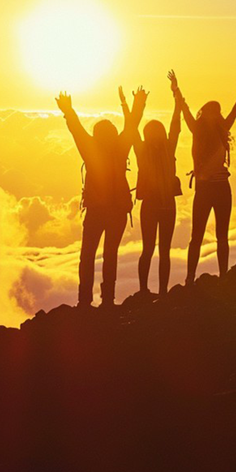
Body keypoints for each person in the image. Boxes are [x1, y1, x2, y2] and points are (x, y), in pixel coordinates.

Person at [56, 87, 146, 307]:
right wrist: (138, 105)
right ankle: (107, 300)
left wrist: (68, 111)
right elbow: (132, 126)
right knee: (110, 255)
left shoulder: (90, 149)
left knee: (87, 256)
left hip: (97, 210)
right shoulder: (120, 148)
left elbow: (76, 130)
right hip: (116, 211)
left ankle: (84, 301)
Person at [173, 70, 236, 284]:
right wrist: (176, 91)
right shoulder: (196, 129)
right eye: (211, 111)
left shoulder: (221, 128)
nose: (214, 115)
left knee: (222, 235)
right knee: (196, 236)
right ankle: (190, 277)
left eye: (216, 112)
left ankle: (223, 276)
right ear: (205, 113)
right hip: (205, 188)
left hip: (220, 188)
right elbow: (185, 110)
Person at [127, 72, 183, 296]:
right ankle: (159, 292)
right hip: (164, 205)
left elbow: (133, 130)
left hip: (154, 205)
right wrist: (137, 104)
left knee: (151, 250)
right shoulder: (166, 149)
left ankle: (149, 291)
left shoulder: (143, 151)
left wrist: (137, 105)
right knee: (159, 250)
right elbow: (175, 125)